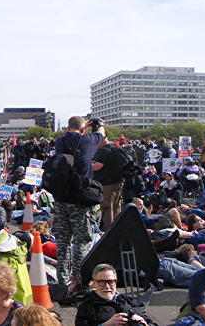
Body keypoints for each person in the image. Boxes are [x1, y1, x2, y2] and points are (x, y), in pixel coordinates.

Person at [52, 116, 107, 287]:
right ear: (83, 129)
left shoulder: (59, 141)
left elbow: (74, 131)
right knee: (81, 241)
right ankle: (78, 281)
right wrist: (98, 125)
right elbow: (102, 135)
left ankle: (62, 280)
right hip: (80, 200)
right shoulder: (87, 140)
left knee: (62, 241)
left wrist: (82, 125)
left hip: (61, 198)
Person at [75, 263, 153, 326]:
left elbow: (152, 323)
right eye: (102, 282)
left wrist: (144, 323)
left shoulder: (126, 302)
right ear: (94, 284)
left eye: (111, 282)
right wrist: (106, 324)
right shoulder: (87, 306)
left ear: (115, 282)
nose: (107, 286)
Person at [93, 143, 124, 231]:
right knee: (116, 207)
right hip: (119, 182)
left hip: (107, 184)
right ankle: (117, 230)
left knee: (107, 208)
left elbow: (98, 166)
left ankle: (108, 232)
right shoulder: (115, 148)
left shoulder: (104, 150)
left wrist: (88, 166)